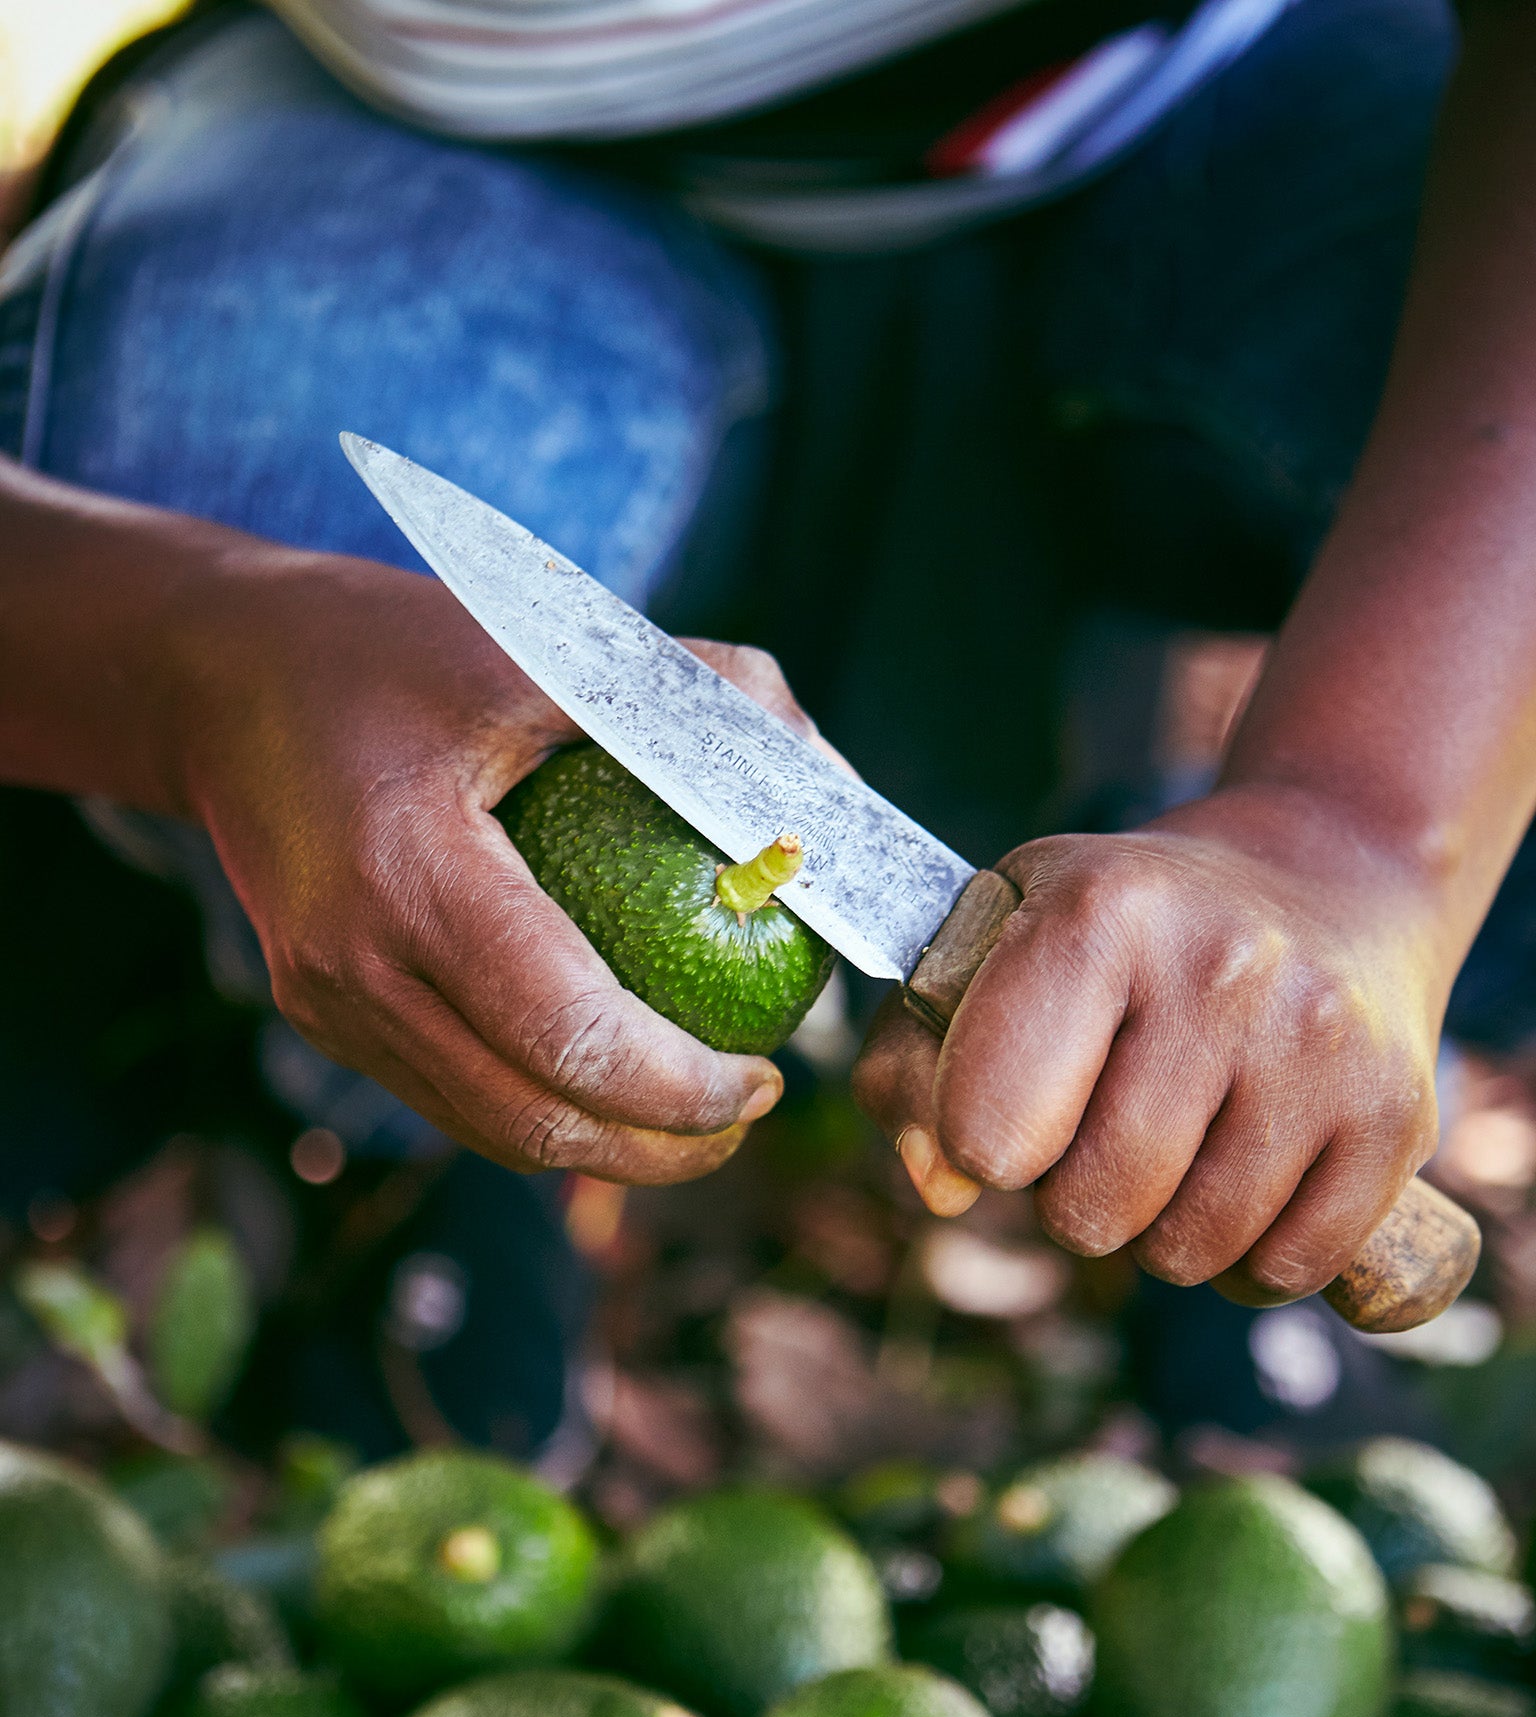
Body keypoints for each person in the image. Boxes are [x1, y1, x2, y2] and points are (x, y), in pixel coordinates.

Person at [1, 0, 1534, 1451]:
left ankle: (1230, 1034)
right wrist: (194, 655)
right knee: (211, 429)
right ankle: (422, 1126)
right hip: (442, 164)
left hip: (1231, 116)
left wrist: (1368, 825)